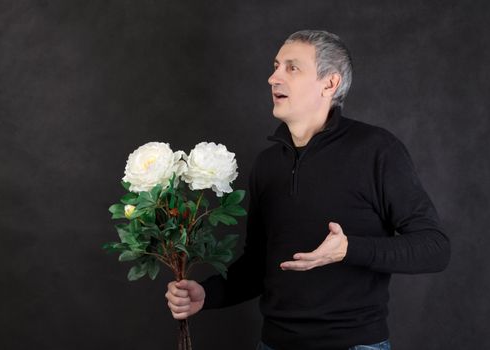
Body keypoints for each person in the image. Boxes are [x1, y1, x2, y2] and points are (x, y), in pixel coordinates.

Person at [164, 29, 451, 350]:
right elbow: (259, 265)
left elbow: (435, 248)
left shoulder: (377, 150)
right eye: (275, 66)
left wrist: (348, 249)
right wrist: (209, 294)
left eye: (292, 67)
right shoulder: (267, 164)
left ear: (330, 83)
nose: (273, 78)